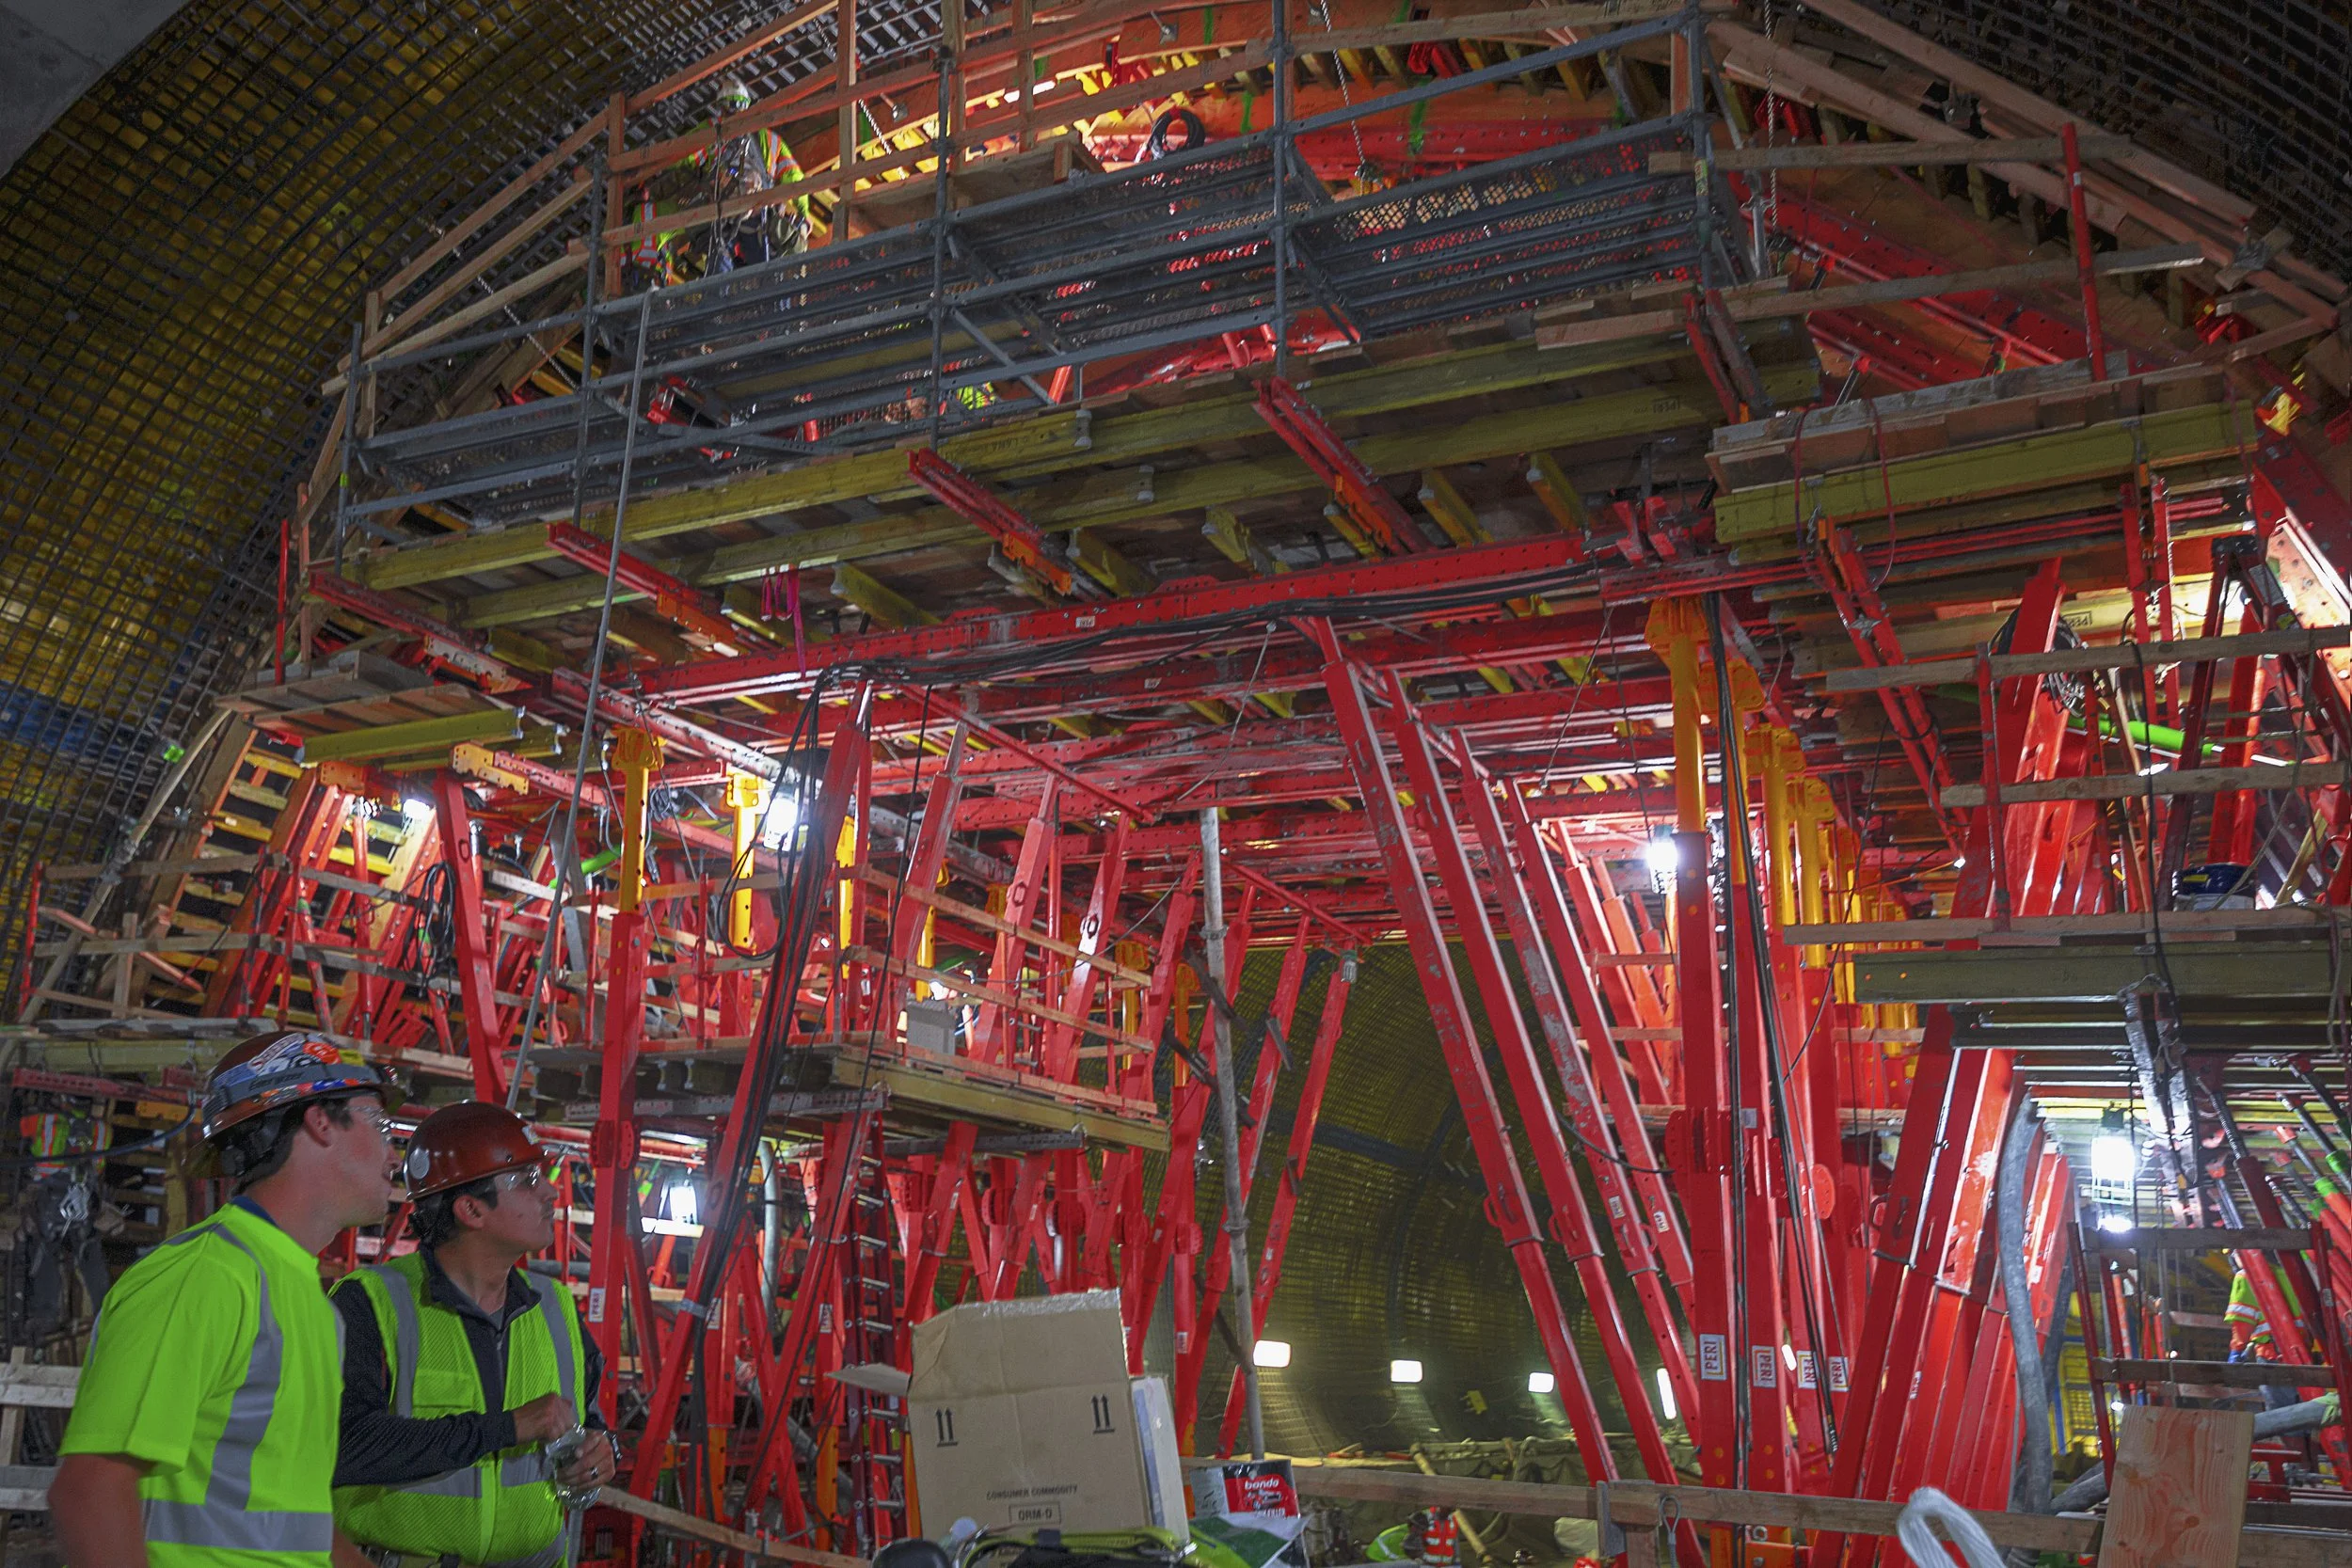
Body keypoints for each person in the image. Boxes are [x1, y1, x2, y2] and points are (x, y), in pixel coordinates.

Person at [50, 1028, 400, 1567]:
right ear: (320, 1121)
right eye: (379, 1124)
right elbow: (91, 1491)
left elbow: (295, 1524)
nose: (393, 1150)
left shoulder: (307, 1300)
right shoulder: (204, 1278)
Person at [331, 1101, 613, 1568]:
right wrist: (509, 1427)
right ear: (470, 1209)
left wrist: (601, 1451)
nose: (552, 1193)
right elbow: (346, 1446)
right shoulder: (370, 1305)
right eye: (527, 1181)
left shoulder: (556, 1308)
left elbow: (591, 1418)